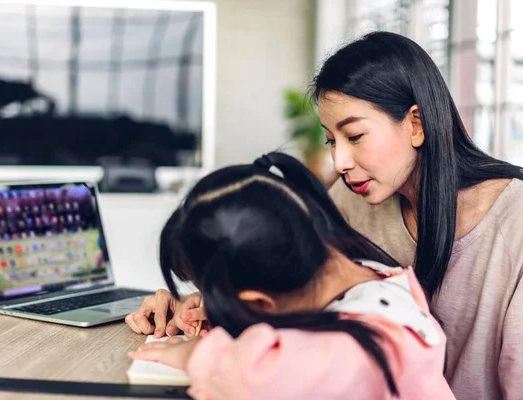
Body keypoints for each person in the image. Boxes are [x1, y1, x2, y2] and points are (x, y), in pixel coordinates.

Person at [127, 31, 523, 399]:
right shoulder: (358, 204)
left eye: (355, 136)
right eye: (332, 139)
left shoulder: (514, 222)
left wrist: (197, 354)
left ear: (416, 124)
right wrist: (216, 299)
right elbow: (303, 294)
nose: (340, 161)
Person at [128, 153, 454, 400]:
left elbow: (249, 379)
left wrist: (192, 353)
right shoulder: (380, 279)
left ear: (259, 300)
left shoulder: (350, 353)